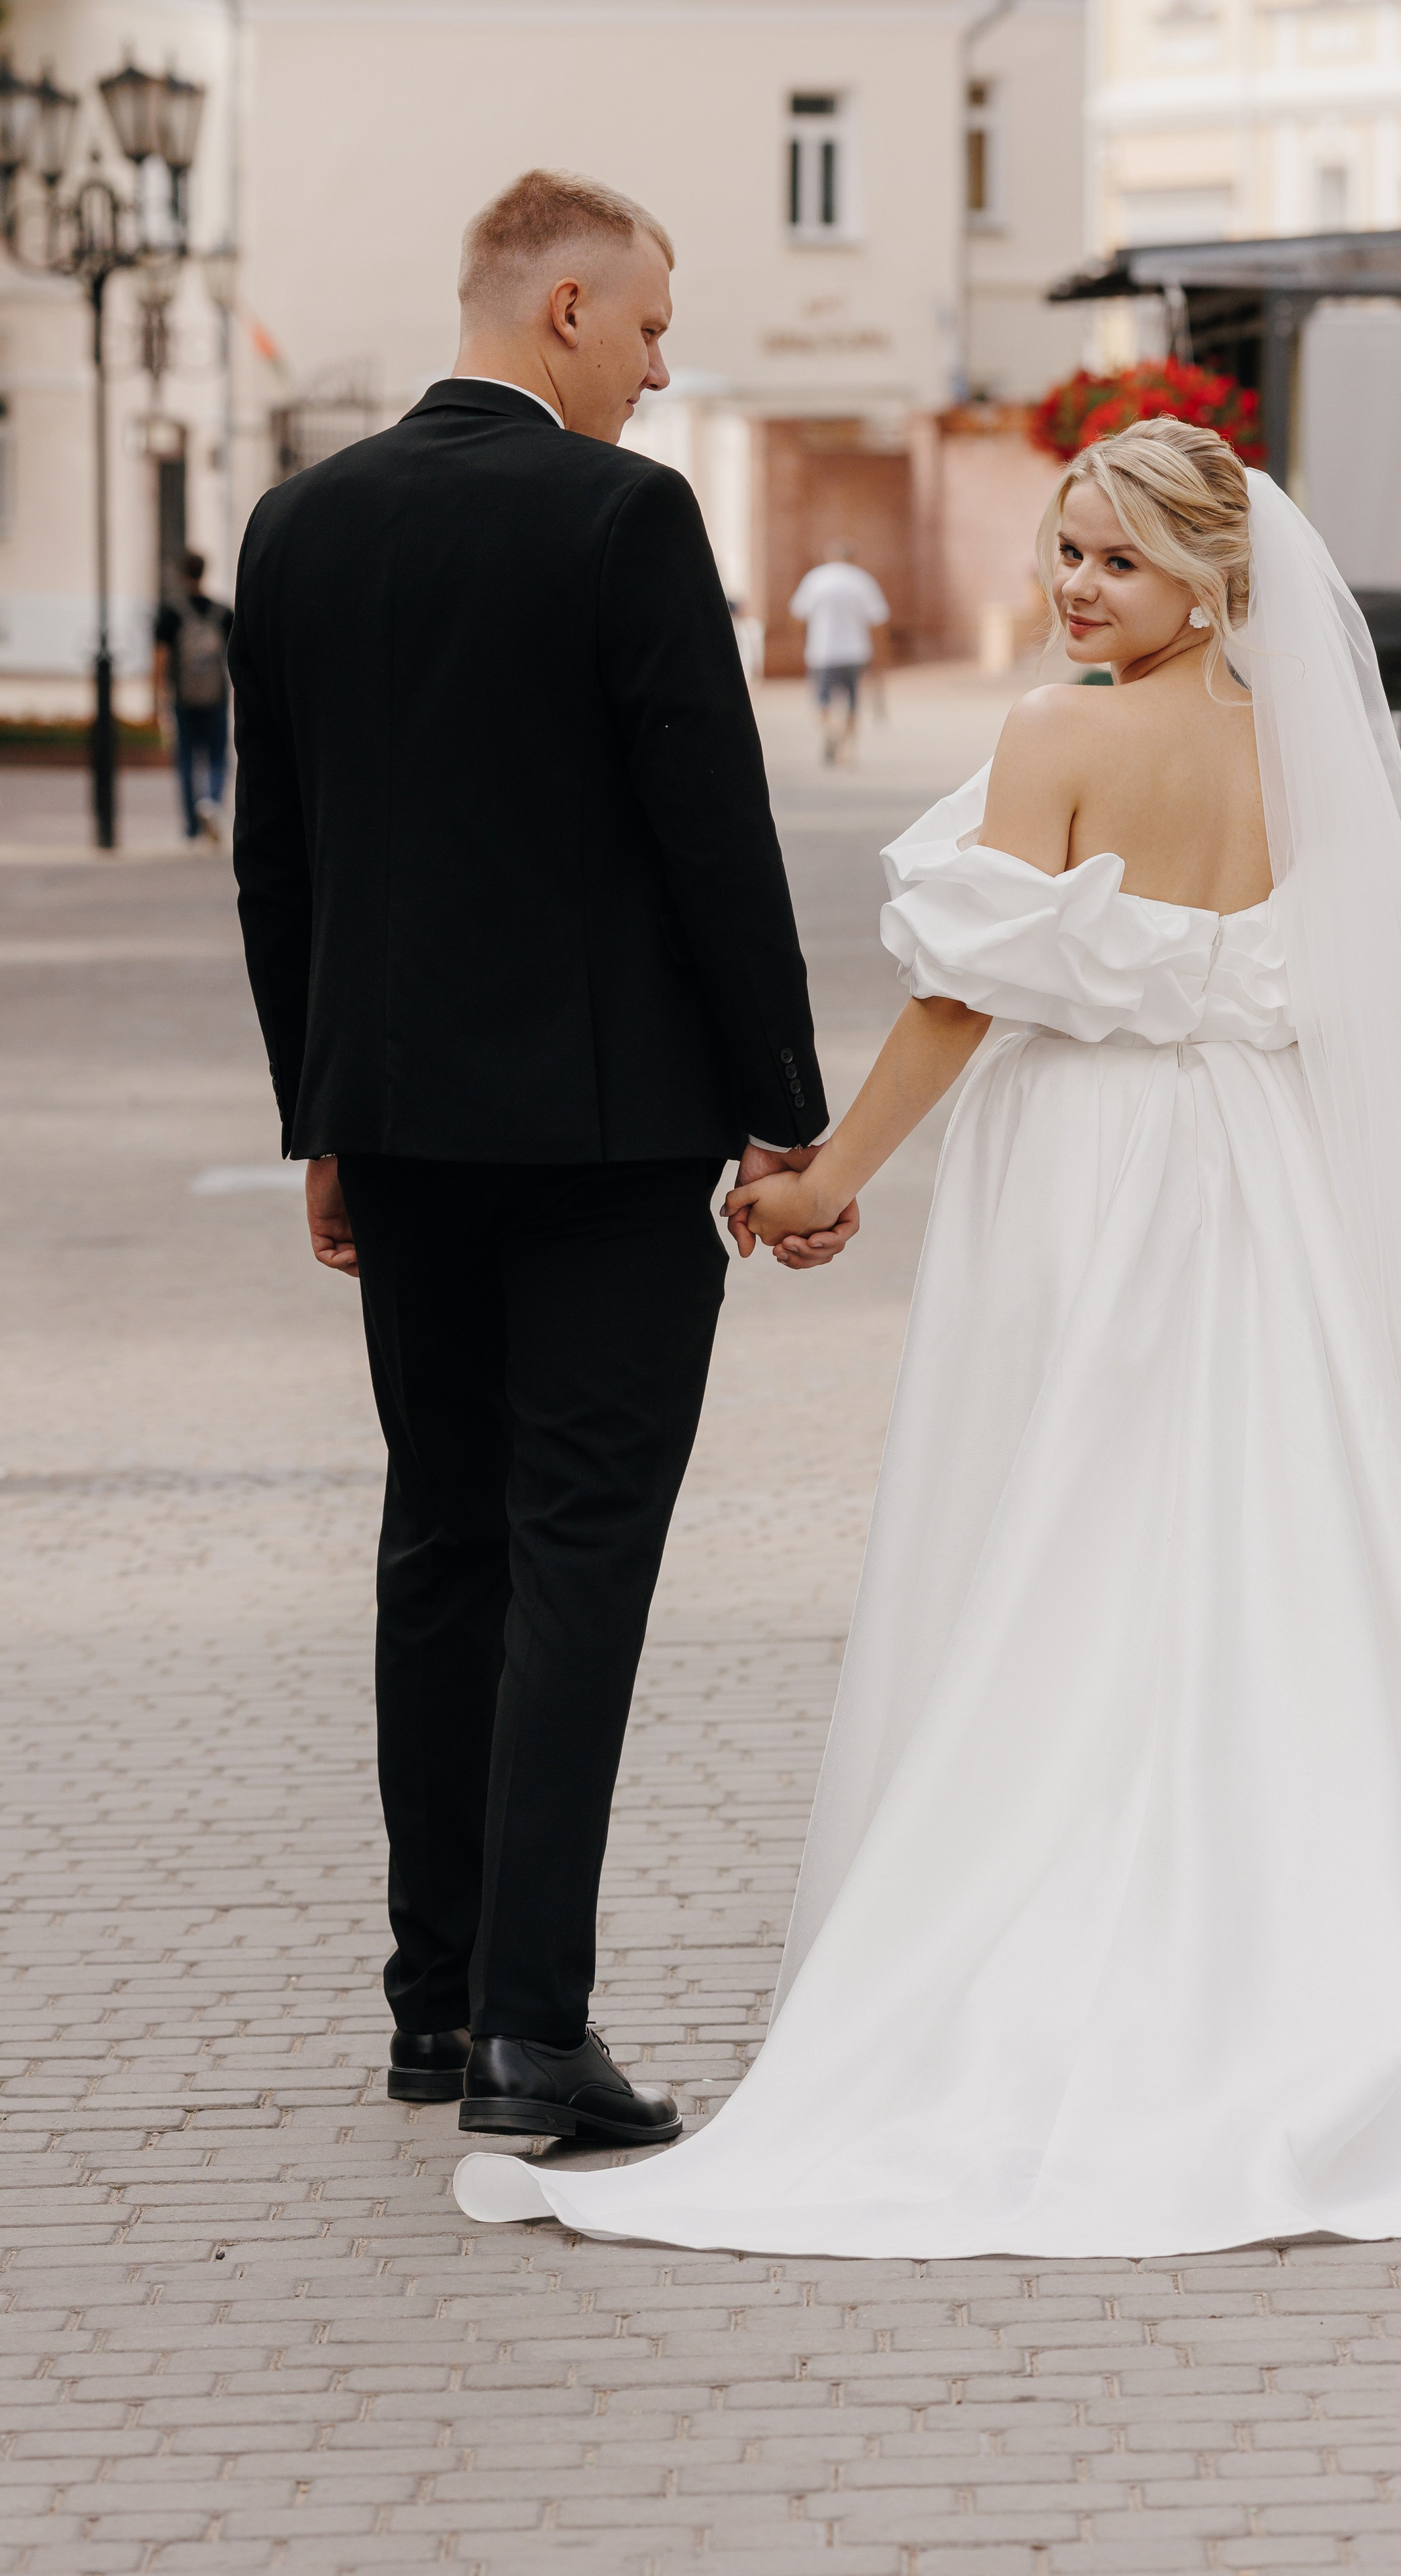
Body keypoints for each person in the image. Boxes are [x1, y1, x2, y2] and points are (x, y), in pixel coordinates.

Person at [455, 420, 1401, 2259]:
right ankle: (1314, 1945)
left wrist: (822, 1181)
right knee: (1269, 1542)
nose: (1072, 589)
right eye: (1063, 551)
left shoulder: (1057, 735)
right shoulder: (1304, 757)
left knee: (1072, 1533)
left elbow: (965, 996)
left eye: (1114, 560)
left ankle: (1080, 1954)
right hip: (1263, 1182)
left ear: (1214, 575)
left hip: (1099, 1180)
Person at [229, 170, 855, 2149]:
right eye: (655, 330)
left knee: (443, 1542)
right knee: (579, 1551)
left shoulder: (298, 522)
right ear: (567, 307)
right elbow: (711, 828)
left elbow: (281, 861)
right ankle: (530, 2030)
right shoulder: (620, 516)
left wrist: (316, 1114)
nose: (666, 372)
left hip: (400, 1123)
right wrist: (787, 1104)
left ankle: (430, 2013)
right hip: (605, 1137)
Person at [154, 551, 234, 844]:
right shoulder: (222, 613)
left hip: (184, 698)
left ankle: (191, 827)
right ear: (204, 572)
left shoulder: (171, 613)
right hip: (217, 697)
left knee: (186, 760)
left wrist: (157, 697)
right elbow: (236, 658)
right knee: (217, 758)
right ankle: (211, 803)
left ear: (181, 573)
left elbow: (161, 659)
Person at [789, 545, 889, 765]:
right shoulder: (862, 581)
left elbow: (798, 614)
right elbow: (879, 619)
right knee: (853, 702)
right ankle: (848, 750)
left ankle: (831, 730)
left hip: (823, 651)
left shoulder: (816, 579)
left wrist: (800, 643)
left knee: (822, 700)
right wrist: (880, 656)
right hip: (855, 651)